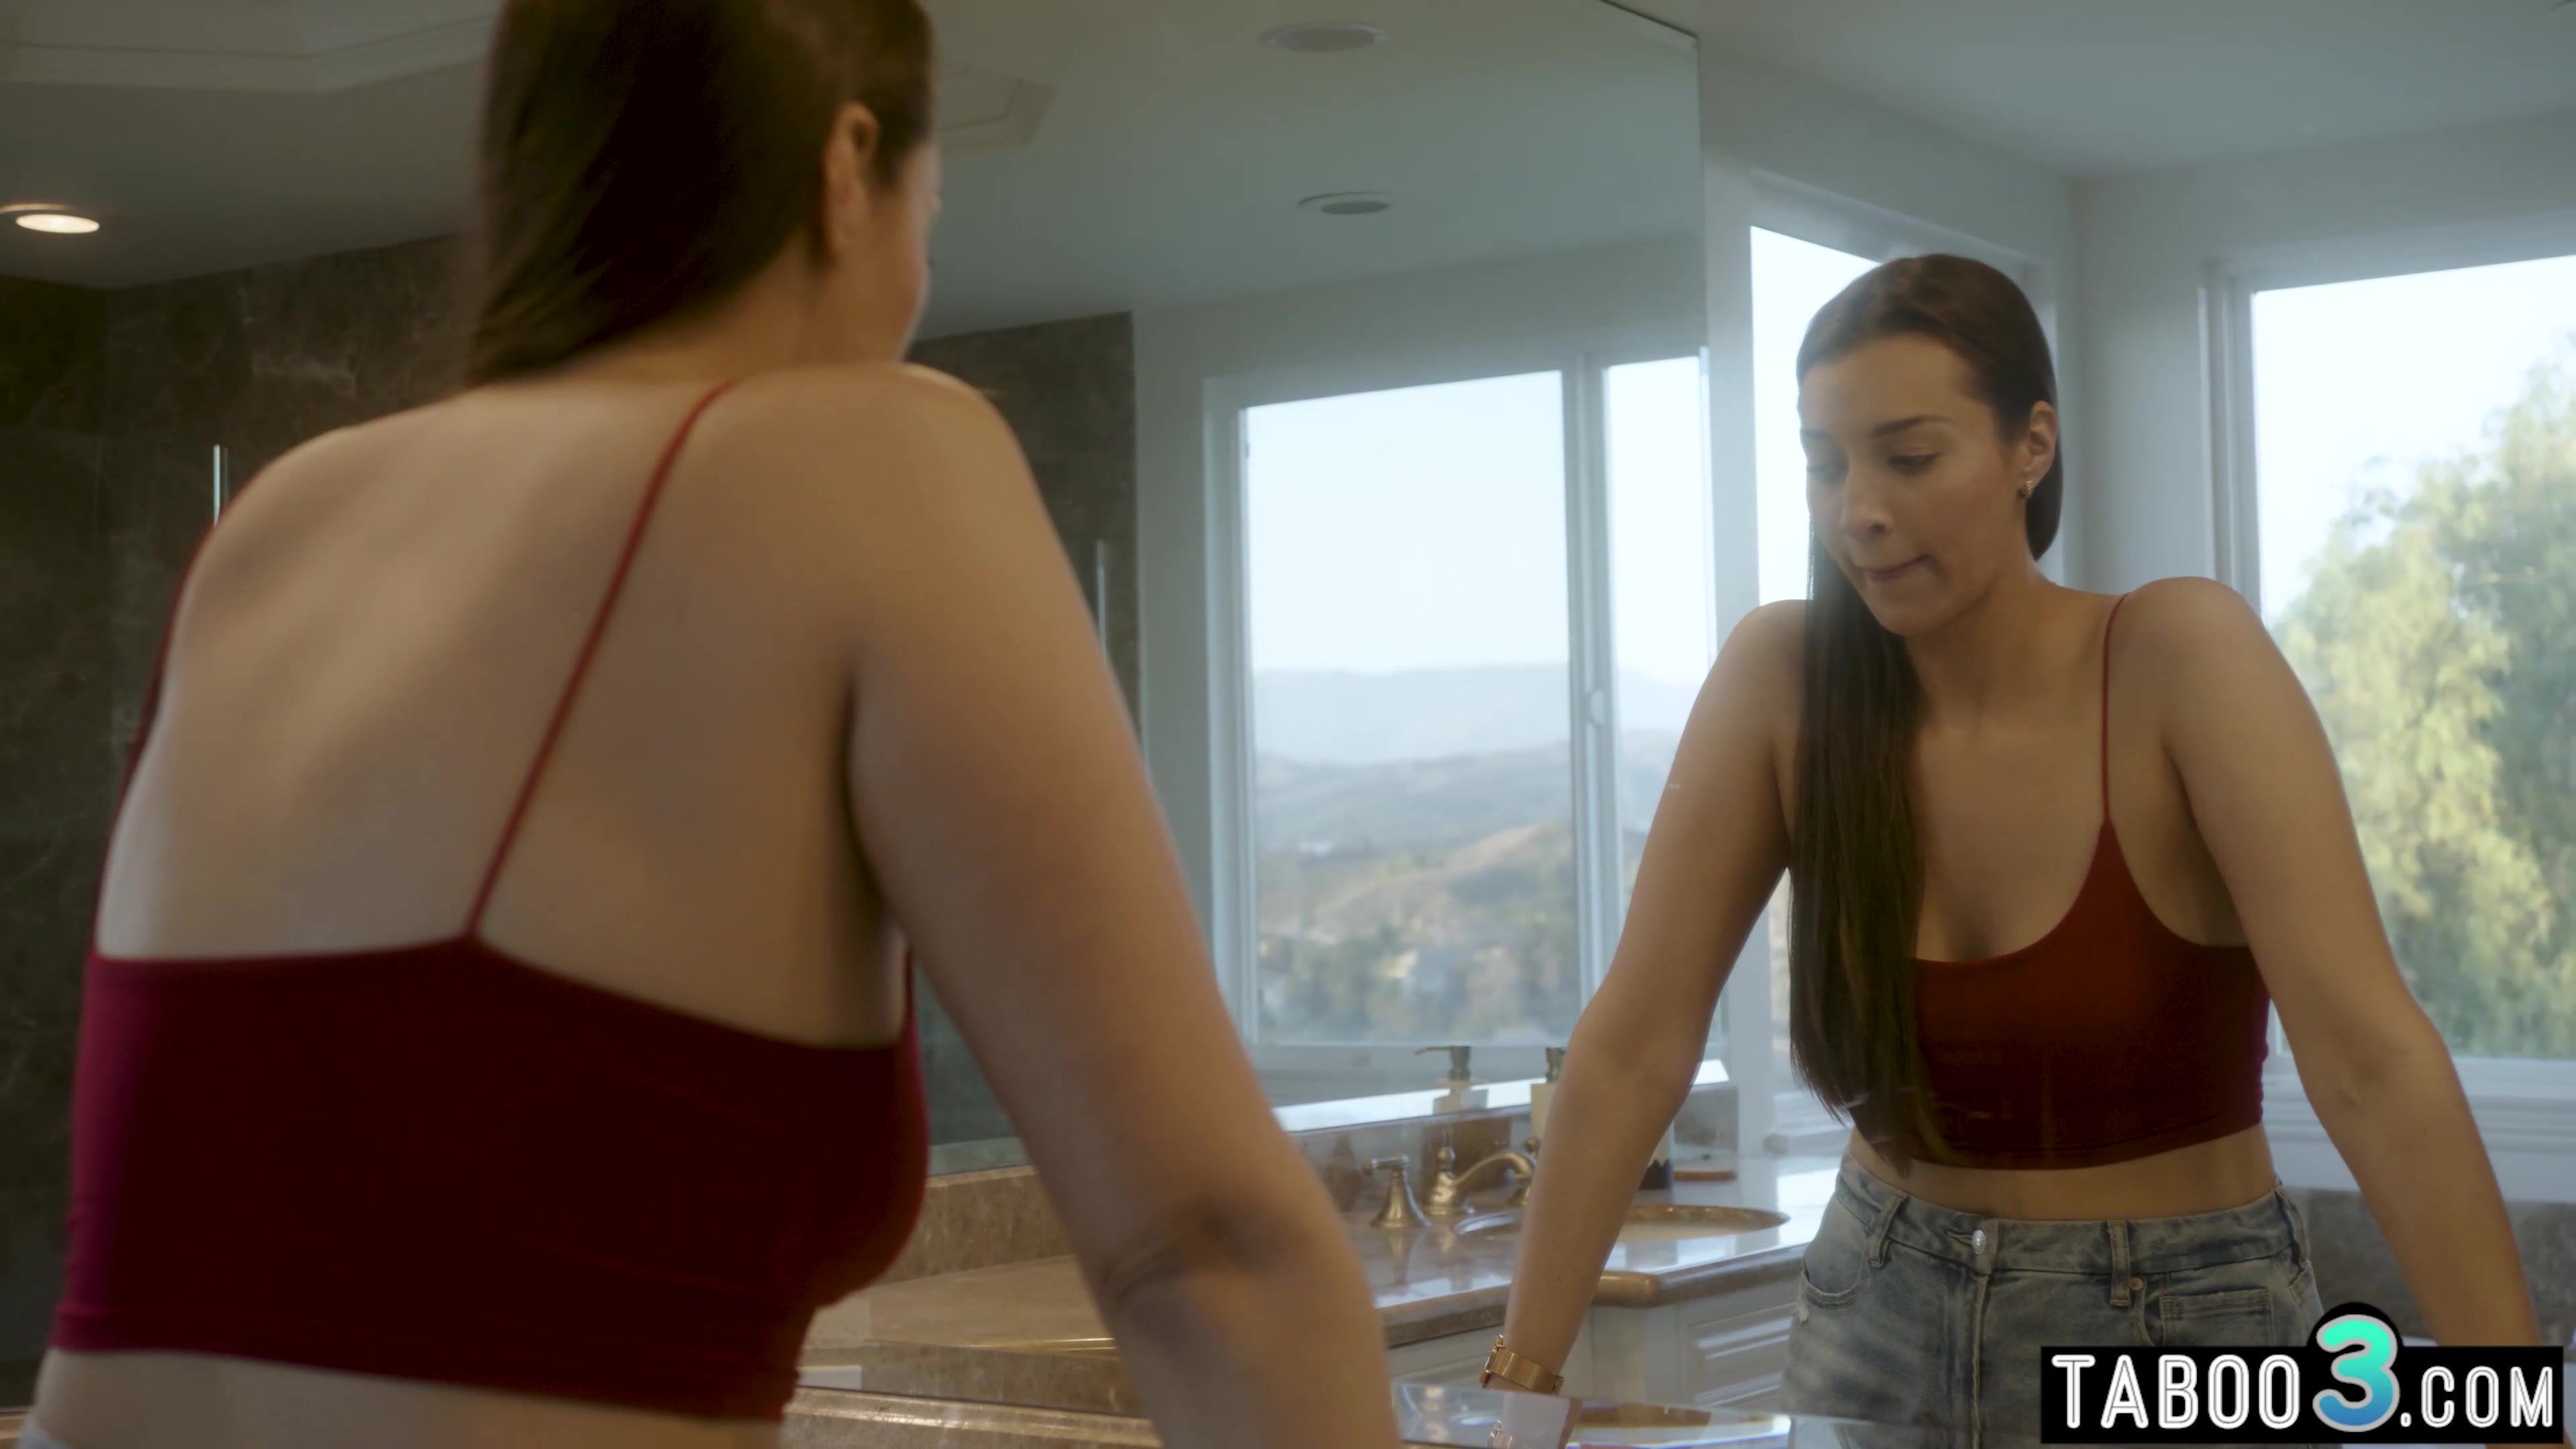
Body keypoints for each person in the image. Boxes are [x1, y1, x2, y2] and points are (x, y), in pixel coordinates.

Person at [30, 3, 1401, 1446]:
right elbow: (1209, 1258)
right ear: (848, 165)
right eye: (935, 202)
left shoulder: (273, 523)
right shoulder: (877, 447)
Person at [1484, 255, 2548, 1438]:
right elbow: (1634, 1047)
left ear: (2030, 445)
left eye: (1909, 457)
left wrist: (2515, 1412)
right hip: (1873, 1308)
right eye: (1826, 464)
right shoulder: (1783, 681)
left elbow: (2370, 1062)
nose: (1859, 510)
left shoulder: (2179, 658)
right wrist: (1517, 1389)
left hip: (2174, 1329)